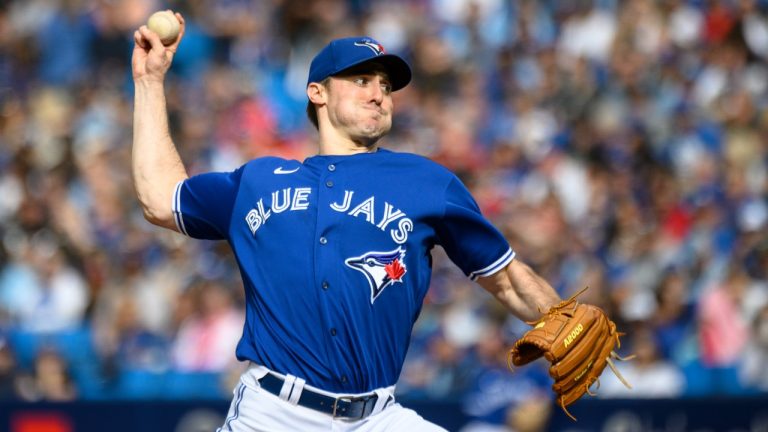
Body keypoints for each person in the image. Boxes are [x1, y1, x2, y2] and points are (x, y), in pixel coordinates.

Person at [132, 11, 562, 432]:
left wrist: (564, 316)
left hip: (378, 417)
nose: (379, 94)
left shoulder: (426, 182)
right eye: (361, 81)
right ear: (317, 92)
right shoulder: (258, 182)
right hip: (273, 414)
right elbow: (159, 198)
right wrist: (149, 81)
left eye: (386, 86)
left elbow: (504, 278)